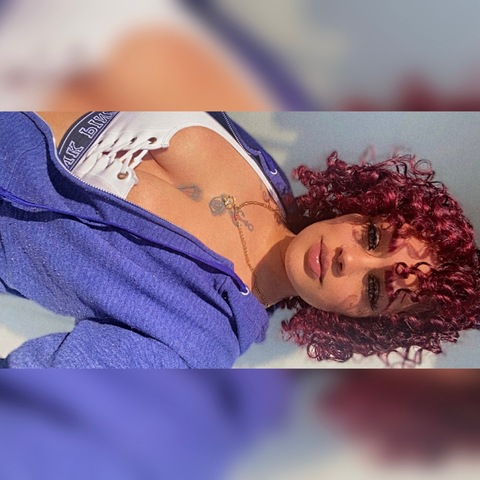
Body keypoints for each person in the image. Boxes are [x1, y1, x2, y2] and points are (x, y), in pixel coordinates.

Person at [0, 111, 478, 368]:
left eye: (373, 289)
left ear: (358, 322)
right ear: (362, 209)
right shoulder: (266, 173)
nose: (347, 259)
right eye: (373, 237)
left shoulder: (198, 343)